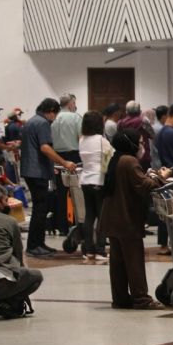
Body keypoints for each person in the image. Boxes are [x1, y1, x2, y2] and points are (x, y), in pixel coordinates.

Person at [102, 130, 171, 309]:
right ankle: (141, 299)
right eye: (140, 142)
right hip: (126, 220)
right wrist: (162, 177)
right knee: (134, 261)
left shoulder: (117, 158)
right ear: (130, 143)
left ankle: (120, 298)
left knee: (118, 262)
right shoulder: (129, 161)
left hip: (113, 218)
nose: (142, 146)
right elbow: (144, 185)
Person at [20, 98, 77, 257]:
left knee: (40, 208)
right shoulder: (43, 123)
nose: (54, 118)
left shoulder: (31, 121)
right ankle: (33, 246)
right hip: (37, 172)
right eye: (55, 114)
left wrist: (52, 166)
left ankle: (39, 243)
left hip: (31, 170)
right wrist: (64, 162)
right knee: (40, 210)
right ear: (51, 111)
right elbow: (44, 147)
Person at [0, 185, 44, 311]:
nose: (6, 205)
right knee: (36, 276)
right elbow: (18, 253)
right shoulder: (9, 221)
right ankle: (7, 303)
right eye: (5, 201)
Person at [78, 111, 112, 264]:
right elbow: (111, 156)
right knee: (103, 217)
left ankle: (89, 251)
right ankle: (100, 251)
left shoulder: (82, 139)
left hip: (85, 180)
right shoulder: (101, 139)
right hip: (99, 180)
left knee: (89, 217)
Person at [51, 93, 82, 237]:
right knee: (76, 191)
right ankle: (77, 223)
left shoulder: (53, 118)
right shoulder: (76, 117)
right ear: (70, 104)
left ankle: (62, 225)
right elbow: (81, 138)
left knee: (60, 192)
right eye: (74, 103)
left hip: (56, 156)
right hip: (73, 156)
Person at [118, 100, 154, 169]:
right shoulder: (144, 121)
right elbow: (152, 135)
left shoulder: (120, 123)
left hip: (126, 155)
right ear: (139, 111)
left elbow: (119, 138)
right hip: (143, 155)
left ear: (127, 111)